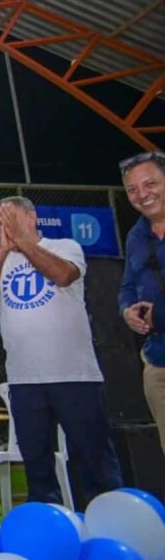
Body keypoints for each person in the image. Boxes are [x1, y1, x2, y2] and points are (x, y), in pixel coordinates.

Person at [0, 196, 122, 503]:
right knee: (37, 463)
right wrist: (2, 250)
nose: (5, 228)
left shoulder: (65, 247)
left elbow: (63, 275)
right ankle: (47, 518)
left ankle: (104, 515)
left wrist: (24, 242)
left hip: (74, 375)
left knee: (92, 457)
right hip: (25, 379)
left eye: (11, 220)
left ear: (32, 218)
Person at [119, 151, 165, 454]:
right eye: (132, 189)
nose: (142, 195)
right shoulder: (136, 236)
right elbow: (127, 286)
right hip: (157, 361)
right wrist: (127, 311)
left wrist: (157, 313)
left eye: (150, 184)